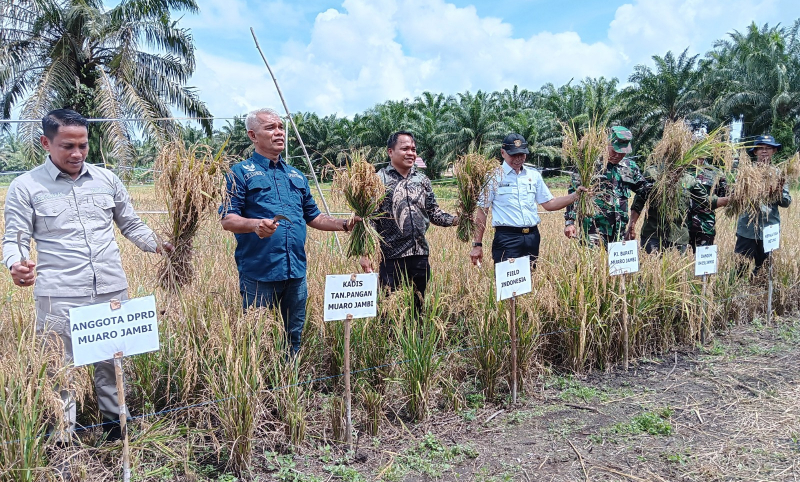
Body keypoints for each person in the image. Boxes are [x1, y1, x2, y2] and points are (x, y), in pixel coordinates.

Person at [2, 109, 172, 447]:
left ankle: (114, 430)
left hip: (111, 288)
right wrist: (16, 264)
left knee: (113, 363)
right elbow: (14, 238)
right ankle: (63, 439)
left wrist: (160, 246)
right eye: (67, 146)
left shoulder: (107, 180)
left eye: (83, 145)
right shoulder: (27, 186)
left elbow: (131, 223)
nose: (77, 154)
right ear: (45, 143)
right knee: (61, 369)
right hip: (60, 295)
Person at [220, 108, 358, 356]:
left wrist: (344, 224)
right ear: (253, 135)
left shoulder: (296, 175)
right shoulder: (239, 173)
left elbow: (313, 216)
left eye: (281, 127)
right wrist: (255, 225)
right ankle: (258, 389)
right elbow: (228, 219)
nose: (279, 133)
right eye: (270, 128)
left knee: (293, 335)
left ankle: (289, 385)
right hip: (259, 272)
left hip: (295, 271)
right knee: (257, 337)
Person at [359, 131, 456, 316]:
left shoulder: (422, 180)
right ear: (390, 151)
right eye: (405, 149)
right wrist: (365, 253)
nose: (411, 153)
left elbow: (434, 213)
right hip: (390, 257)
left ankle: (416, 342)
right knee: (389, 312)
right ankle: (389, 344)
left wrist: (457, 220)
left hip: (419, 254)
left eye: (413, 149)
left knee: (418, 309)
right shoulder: (378, 181)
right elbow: (368, 219)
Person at [470, 133, 585, 267]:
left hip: (532, 237)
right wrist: (477, 244)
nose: (518, 159)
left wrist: (575, 196)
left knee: (529, 280)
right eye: (514, 155)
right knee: (509, 284)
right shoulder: (493, 177)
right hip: (507, 239)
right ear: (503, 153)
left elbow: (549, 204)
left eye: (522, 154)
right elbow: (482, 212)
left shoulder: (533, 175)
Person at [564, 126, 650, 246]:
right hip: (593, 229)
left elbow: (645, 191)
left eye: (622, 153)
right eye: (614, 151)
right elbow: (573, 194)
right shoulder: (588, 165)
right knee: (593, 264)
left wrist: (633, 223)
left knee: (618, 265)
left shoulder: (630, 167)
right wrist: (570, 222)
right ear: (606, 144)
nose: (618, 155)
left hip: (619, 231)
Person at [627, 162, 728, 254]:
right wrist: (632, 225)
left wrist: (729, 199)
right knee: (650, 269)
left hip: (679, 238)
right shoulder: (653, 173)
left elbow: (706, 201)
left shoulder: (689, 179)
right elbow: (639, 201)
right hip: (653, 235)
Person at [733, 135, 791, 275]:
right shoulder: (745, 173)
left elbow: (786, 202)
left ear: (774, 151)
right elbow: (735, 197)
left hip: (769, 228)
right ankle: (737, 294)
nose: (764, 151)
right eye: (761, 148)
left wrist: (777, 193)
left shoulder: (780, 175)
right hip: (747, 227)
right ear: (755, 152)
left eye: (768, 148)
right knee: (740, 268)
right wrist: (749, 191)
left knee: (765, 270)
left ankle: (761, 293)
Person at [687, 154, 728, 251]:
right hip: (680, 227)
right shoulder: (679, 169)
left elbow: (727, 196)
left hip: (705, 227)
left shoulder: (715, 173)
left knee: (704, 264)